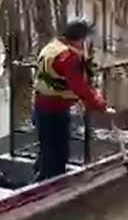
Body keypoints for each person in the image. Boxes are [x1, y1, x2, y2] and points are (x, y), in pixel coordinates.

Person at [33, 18, 108, 180]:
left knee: (47, 150)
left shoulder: (51, 47)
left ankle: (40, 178)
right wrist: (97, 102)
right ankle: (48, 190)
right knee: (57, 156)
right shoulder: (69, 58)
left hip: (41, 107)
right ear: (80, 39)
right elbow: (78, 86)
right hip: (54, 111)